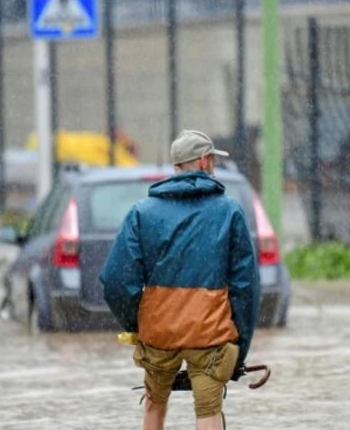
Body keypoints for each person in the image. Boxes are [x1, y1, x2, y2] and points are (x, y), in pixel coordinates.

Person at [100, 130, 260, 430]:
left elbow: (116, 282)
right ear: (203, 161)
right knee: (209, 410)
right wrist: (241, 347)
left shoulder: (142, 212)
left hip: (159, 334)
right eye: (212, 159)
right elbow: (246, 288)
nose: (213, 164)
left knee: (154, 402)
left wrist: (137, 325)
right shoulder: (229, 212)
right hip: (210, 336)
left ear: (176, 167)